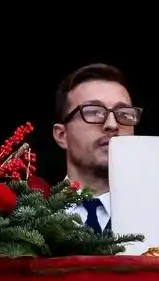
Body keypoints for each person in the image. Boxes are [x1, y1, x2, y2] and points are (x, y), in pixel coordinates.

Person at [52, 63, 141, 234]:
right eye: (93, 111)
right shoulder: (26, 223)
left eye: (124, 114)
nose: (112, 125)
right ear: (62, 135)